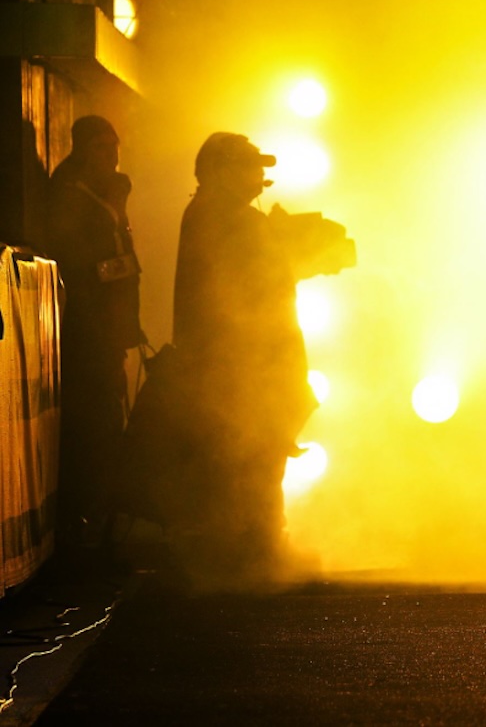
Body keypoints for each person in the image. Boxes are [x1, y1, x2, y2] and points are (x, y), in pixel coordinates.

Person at [171, 132, 315, 584]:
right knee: (251, 456)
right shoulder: (223, 217)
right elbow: (251, 287)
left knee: (253, 456)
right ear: (220, 171)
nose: (259, 175)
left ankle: (252, 549)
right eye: (249, 166)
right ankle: (254, 553)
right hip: (243, 363)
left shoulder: (213, 214)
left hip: (247, 360)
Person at [47, 115, 143, 548]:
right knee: (95, 426)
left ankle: (99, 521)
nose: (113, 157)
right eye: (103, 148)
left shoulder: (102, 197)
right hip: (87, 336)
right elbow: (87, 270)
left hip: (108, 333)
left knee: (109, 420)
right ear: (82, 150)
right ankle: (84, 524)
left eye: (115, 147)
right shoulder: (72, 198)